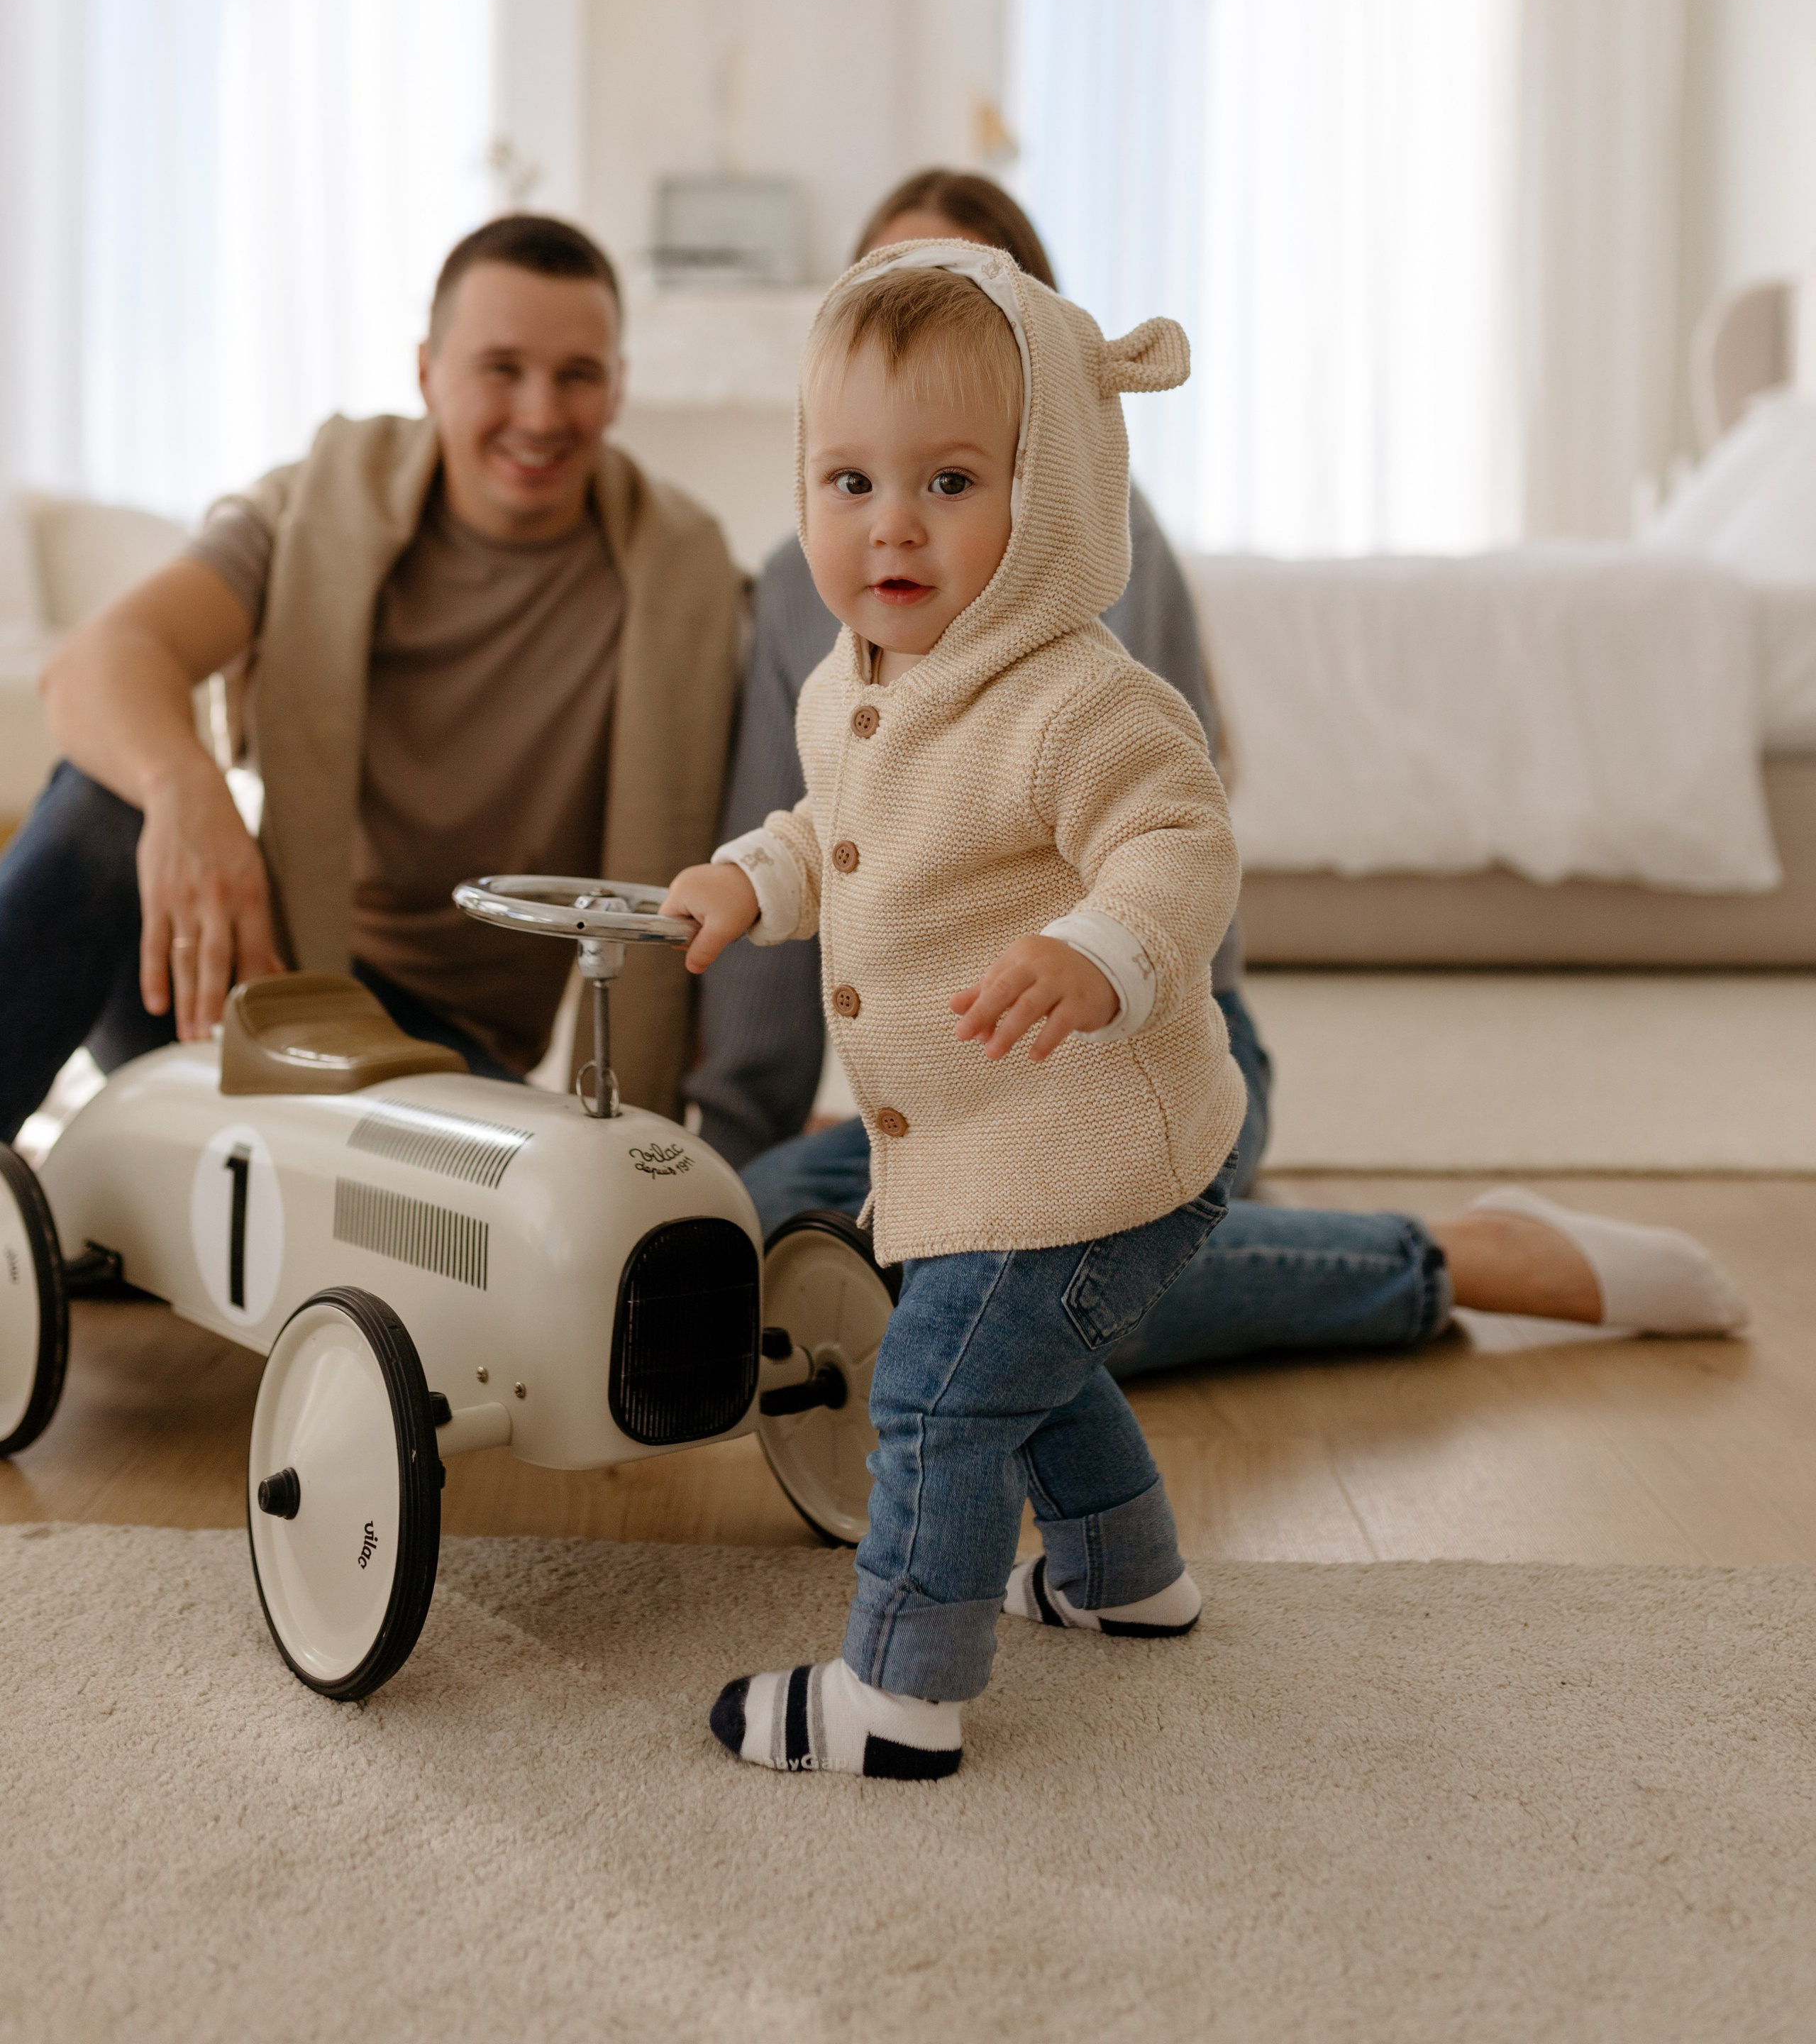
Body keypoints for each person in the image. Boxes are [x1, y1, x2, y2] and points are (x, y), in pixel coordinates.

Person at [692, 172, 1749, 1371]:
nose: (900, 511)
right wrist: (724, 1132)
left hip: (1131, 1042)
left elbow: (1165, 842)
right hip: (953, 1082)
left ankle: (1443, 1258)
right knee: (758, 1233)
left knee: (1010, 1301)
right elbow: (804, 838)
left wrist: (1109, 972)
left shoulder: (1088, 561)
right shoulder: (801, 583)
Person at [668, 239, 1250, 1781]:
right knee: (1028, 1368)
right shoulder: (848, 684)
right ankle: (1128, 1580)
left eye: (947, 481)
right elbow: (834, 832)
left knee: (932, 1393)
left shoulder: (1074, 696)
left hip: (1091, 1153)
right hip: (998, 1152)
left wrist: (1100, 948)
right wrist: (746, 880)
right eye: (848, 482)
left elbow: (1178, 840)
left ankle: (899, 1693)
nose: (890, 527)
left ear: (1044, 491)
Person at [0, 214, 742, 1161]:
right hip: (250, 977)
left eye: (578, 375)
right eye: (501, 369)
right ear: (428, 370)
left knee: (562, 1191)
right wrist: (188, 789)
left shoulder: (685, 576)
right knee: (103, 806)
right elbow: (101, 660)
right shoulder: (312, 505)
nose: (541, 414)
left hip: (428, 1048)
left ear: (619, 386)